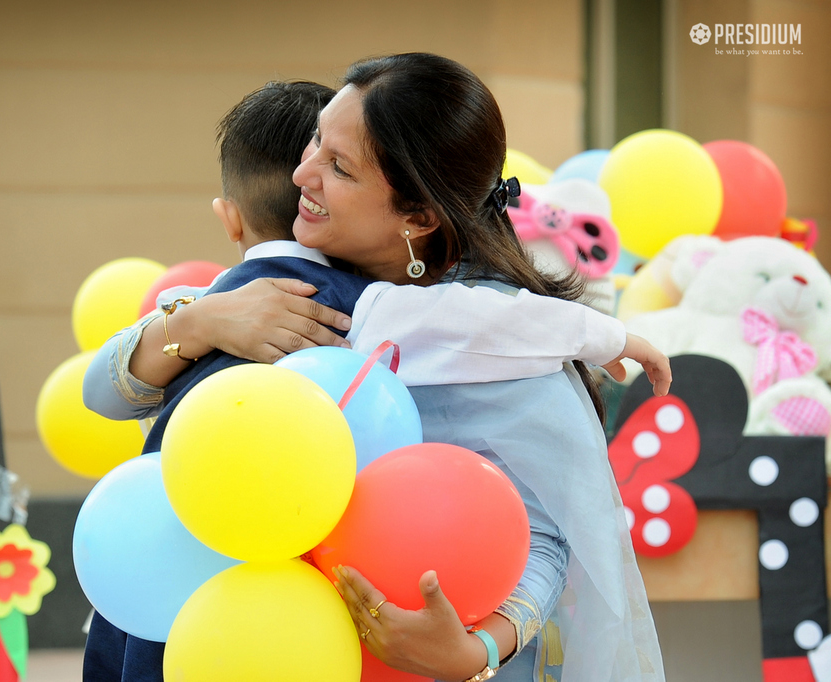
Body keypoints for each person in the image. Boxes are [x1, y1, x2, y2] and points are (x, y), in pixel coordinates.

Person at [84, 61, 666, 682]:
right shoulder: (259, 296)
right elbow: (104, 393)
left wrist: (477, 652)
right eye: (315, 141)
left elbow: (543, 536)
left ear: (417, 217)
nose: (301, 174)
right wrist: (197, 324)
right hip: (227, 628)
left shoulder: (479, 338)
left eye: (339, 167)